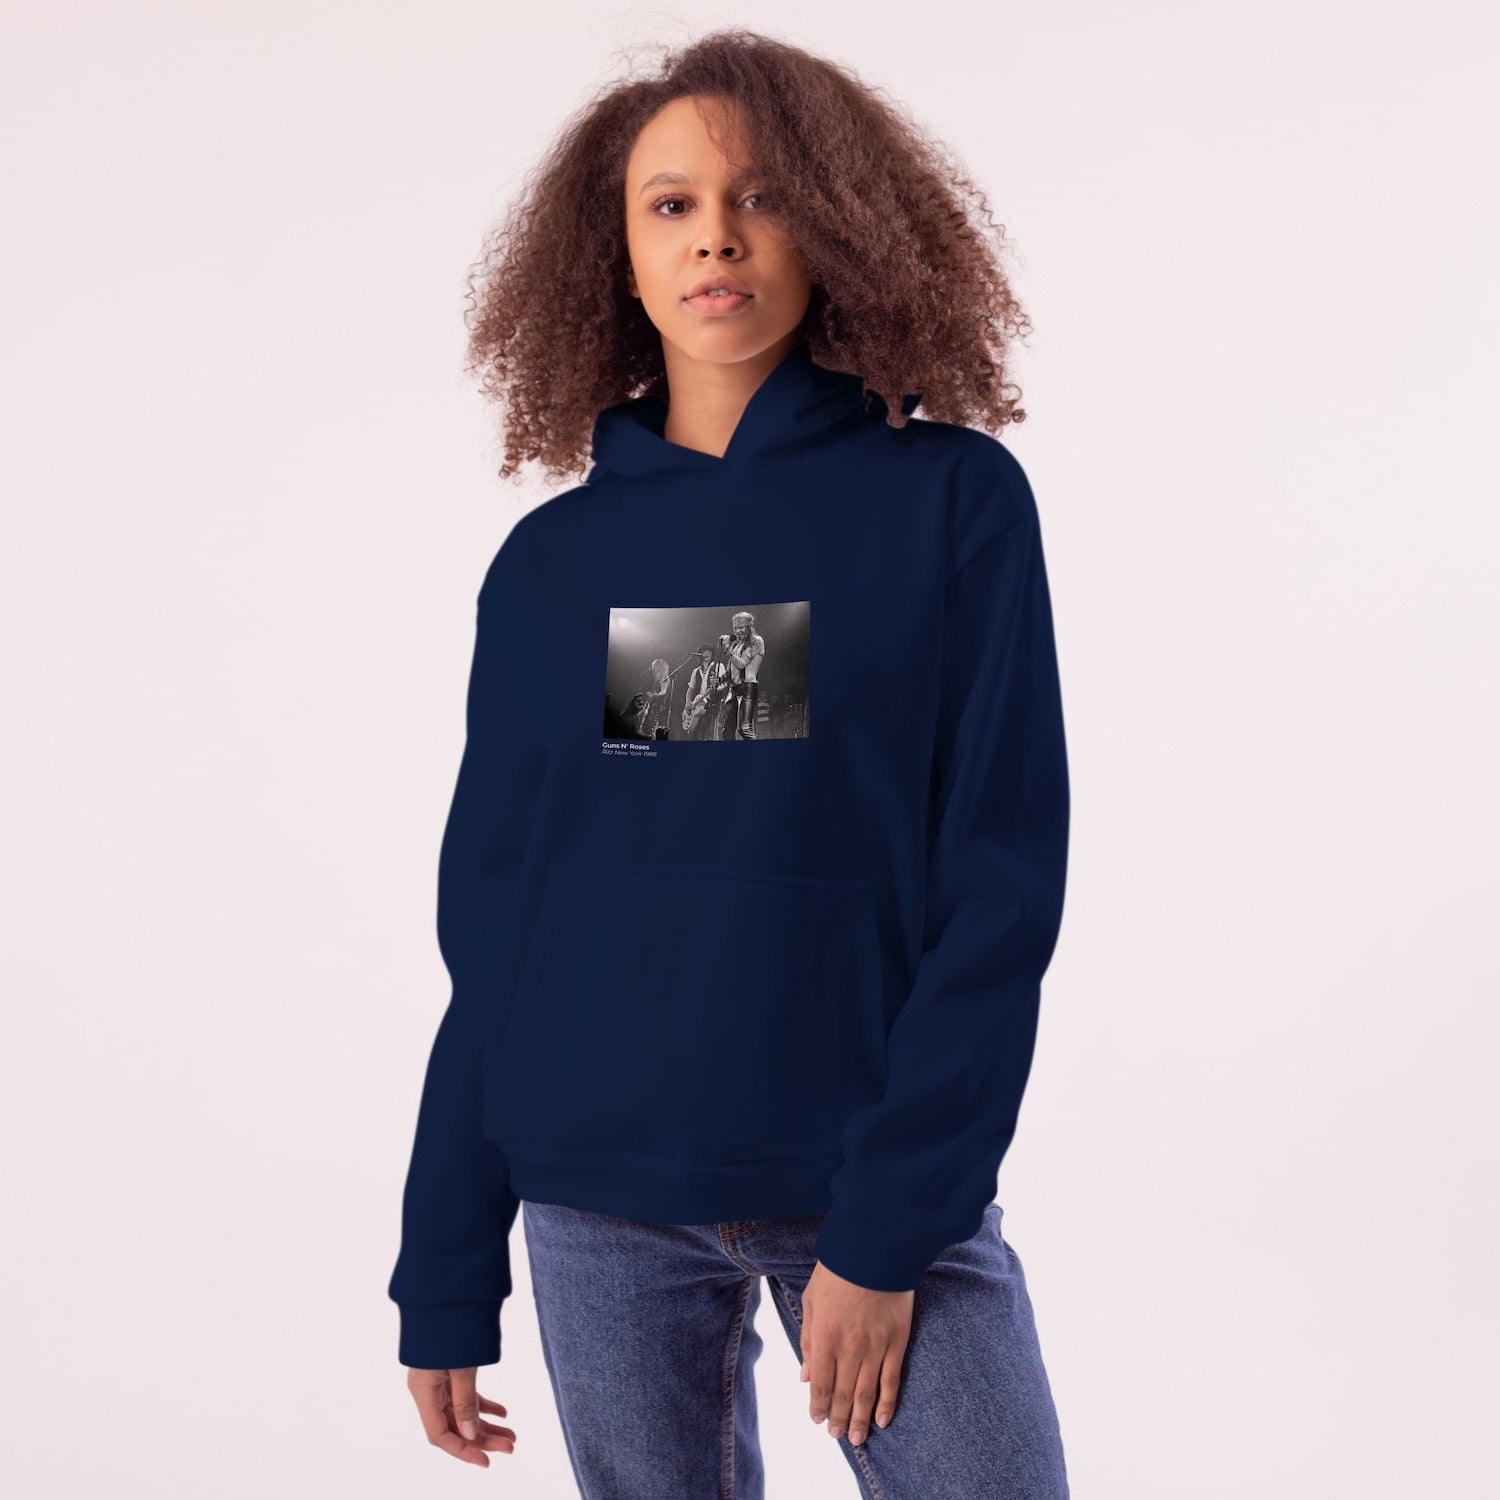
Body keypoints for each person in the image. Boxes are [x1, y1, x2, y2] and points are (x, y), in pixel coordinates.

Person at [388, 28, 1072, 1499]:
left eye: (761, 197)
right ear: (617, 257)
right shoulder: (552, 566)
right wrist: (444, 1261)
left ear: (837, 228)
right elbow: (499, 927)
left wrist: (887, 1230)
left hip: (869, 1184)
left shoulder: (951, 506)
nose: (716, 236)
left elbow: (1000, 890)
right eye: (673, 204)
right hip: (597, 1206)